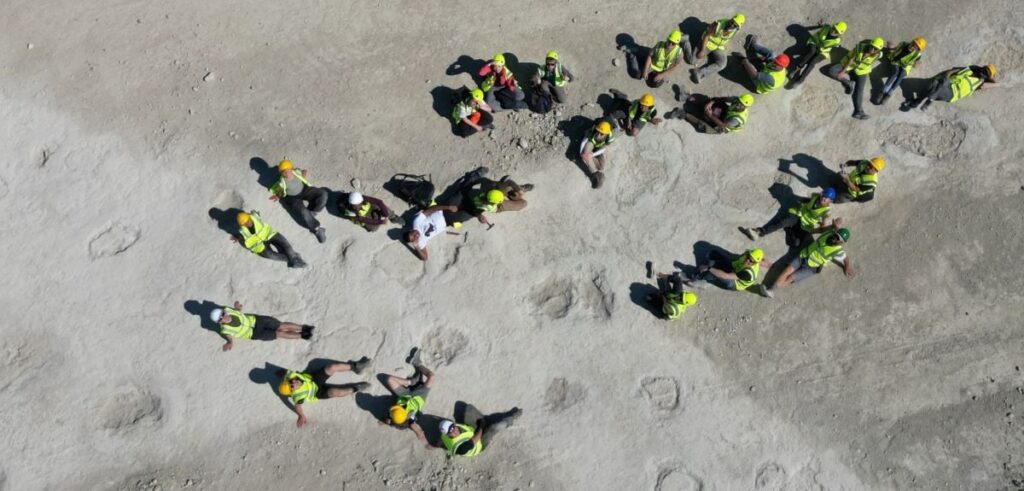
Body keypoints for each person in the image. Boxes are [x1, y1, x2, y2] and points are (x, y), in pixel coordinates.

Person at [278, 357, 372, 428]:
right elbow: (297, 406)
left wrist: (278, 372)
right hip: (316, 393)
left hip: (313, 379)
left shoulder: (291, 376)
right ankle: (356, 388)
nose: (293, 383)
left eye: (290, 382)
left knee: (332, 367)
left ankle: (356, 367)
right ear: (292, 392)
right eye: (292, 387)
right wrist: (301, 416)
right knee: (335, 392)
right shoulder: (298, 396)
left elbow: (282, 372)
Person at [765, 228, 853, 297]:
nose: (836, 239)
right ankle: (771, 290)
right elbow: (832, 228)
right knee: (787, 270)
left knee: (791, 278)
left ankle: (772, 289)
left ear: (842, 242)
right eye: (836, 236)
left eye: (839, 239)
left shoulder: (838, 251)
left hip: (812, 268)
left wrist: (847, 266)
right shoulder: (828, 233)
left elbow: (845, 258)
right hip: (803, 256)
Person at [739, 188, 840, 246]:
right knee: (781, 222)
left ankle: (789, 229)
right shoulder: (816, 196)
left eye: (827, 198)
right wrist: (798, 200)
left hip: (805, 225)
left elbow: (823, 225)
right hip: (798, 214)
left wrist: (830, 226)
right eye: (823, 195)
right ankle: (758, 232)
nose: (823, 198)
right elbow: (808, 200)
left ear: (830, 201)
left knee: (795, 243)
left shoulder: (826, 212)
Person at [379, 348, 434, 446]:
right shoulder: (410, 418)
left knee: (389, 379)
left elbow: (387, 420)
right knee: (432, 376)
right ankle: (417, 363)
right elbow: (419, 433)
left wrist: (383, 421)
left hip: (404, 395)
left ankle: (411, 382)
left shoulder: (393, 415)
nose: (398, 406)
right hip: (419, 397)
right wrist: (427, 445)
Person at [210, 300, 313, 352]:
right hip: (255, 333)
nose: (224, 317)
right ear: (220, 322)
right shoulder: (225, 329)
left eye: (223, 314)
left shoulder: (228, 310)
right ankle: (303, 336)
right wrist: (230, 343)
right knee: (279, 333)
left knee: (280, 325)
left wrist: (237, 308)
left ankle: (304, 328)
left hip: (256, 320)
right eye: (221, 318)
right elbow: (229, 337)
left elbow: (237, 312)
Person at [268, 160, 328, 243]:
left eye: (287, 171)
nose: (286, 173)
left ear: (291, 169)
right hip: (293, 198)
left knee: (323, 193)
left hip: (304, 190)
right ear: (280, 173)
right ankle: (317, 229)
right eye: (283, 172)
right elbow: (280, 191)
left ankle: (312, 212)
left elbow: (301, 173)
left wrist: (303, 173)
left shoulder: (296, 172)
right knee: (303, 211)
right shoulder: (281, 182)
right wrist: (277, 195)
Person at [827, 37, 885, 120]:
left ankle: (858, 112)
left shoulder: (879, 54)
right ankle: (847, 82)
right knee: (831, 71)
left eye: (875, 48)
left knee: (859, 90)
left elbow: (889, 53)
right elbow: (851, 60)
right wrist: (843, 72)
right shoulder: (860, 47)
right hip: (849, 66)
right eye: (871, 46)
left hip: (862, 71)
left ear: (878, 50)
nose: (872, 49)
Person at [435, 405, 522, 457]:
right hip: (479, 443)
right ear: (447, 433)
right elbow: (475, 440)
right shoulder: (461, 449)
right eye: (450, 430)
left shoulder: (444, 435)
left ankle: (485, 420)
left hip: (471, 431)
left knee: (467, 408)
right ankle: (512, 418)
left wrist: (435, 445)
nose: (454, 429)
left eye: (453, 426)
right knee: (496, 427)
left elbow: (440, 440)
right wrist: (481, 427)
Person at [901, 64, 998, 111]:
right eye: (985, 70)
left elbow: (996, 84)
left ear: (987, 77)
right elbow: (951, 71)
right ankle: (923, 102)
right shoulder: (968, 70)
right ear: (982, 67)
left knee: (937, 86)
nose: (983, 73)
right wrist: (945, 78)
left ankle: (918, 101)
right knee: (935, 83)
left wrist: (993, 81)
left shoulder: (979, 84)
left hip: (952, 94)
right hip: (947, 83)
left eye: (986, 74)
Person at [686, 13, 745, 84]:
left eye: (735, 25)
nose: (732, 25)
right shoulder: (718, 25)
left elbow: (729, 37)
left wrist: (724, 44)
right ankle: (685, 42)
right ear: (731, 19)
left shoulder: (736, 30)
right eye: (732, 21)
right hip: (708, 43)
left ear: (738, 27)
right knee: (692, 61)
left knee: (722, 64)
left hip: (719, 47)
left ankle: (699, 72)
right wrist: (702, 50)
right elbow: (706, 36)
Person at [234, 210, 307, 268]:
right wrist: (239, 239)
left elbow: (254, 212)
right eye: (245, 224)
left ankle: (294, 257)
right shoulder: (242, 231)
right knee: (271, 256)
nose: (247, 224)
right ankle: (293, 259)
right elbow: (244, 242)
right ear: (242, 225)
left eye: (247, 221)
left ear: (249, 217)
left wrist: (248, 214)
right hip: (260, 244)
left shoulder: (254, 216)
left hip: (269, 233)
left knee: (285, 244)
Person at [686, 248, 772, 296]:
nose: (748, 261)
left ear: (755, 263)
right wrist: (767, 264)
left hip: (734, 283)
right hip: (734, 267)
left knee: (711, 273)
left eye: (751, 261)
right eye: (748, 257)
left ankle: (700, 280)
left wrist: (708, 268)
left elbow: (726, 276)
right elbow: (759, 260)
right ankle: (708, 271)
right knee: (713, 253)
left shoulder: (748, 274)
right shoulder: (747, 255)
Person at [788, 20, 847, 86]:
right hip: (814, 42)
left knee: (812, 62)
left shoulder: (837, 41)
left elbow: (835, 47)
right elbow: (824, 25)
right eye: (834, 28)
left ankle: (800, 80)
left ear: (840, 34)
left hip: (823, 52)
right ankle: (796, 69)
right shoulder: (826, 27)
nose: (833, 31)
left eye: (836, 32)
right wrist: (819, 25)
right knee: (811, 52)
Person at [669, 91, 753, 134]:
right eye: (738, 102)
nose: (738, 104)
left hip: (723, 126)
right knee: (709, 101)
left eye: (741, 105)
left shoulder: (736, 119)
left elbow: (723, 126)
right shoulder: (736, 100)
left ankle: (682, 113)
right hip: (727, 113)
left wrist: (710, 115)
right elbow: (723, 99)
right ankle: (687, 97)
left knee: (703, 126)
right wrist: (712, 102)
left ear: (746, 107)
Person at [874, 37, 925, 105]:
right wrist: (892, 47)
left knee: (900, 77)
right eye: (913, 44)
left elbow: (916, 62)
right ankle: (882, 92)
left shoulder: (918, 55)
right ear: (912, 41)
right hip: (896, 62)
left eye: (916, 47)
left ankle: (889, 94)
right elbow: (895, 50)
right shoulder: (903, 44)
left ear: (918, 50)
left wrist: (916, 64)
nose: (913, 47)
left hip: (906, 66)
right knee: (895, 73)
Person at [580, 120, 614, 189]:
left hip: (601, 147)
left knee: (601, 166)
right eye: (598, 132)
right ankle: (594, 173)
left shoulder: (609, 137)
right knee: (585, 153)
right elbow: (584, 141)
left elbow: (603, 149)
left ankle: (598, 170)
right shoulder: (592, 131)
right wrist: (581, 153)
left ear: (606, 134)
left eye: (602, 134)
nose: (598, 135)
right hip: (592, 143)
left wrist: (592, 155)